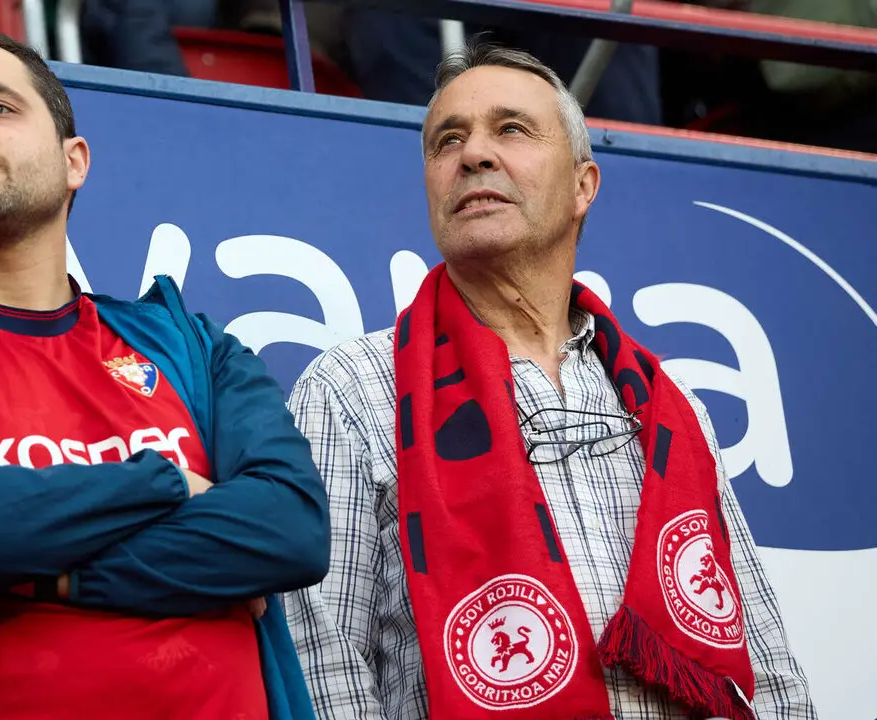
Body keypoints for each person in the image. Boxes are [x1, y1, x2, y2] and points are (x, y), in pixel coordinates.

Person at [0, 19, 329, 720]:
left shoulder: (196, 349)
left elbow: (289, 531)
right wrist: (166, 482)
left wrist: (28, 562)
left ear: (75, 160)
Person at [281, 42, 816, 720]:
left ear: (582, 186)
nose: (473, 154)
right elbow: (319, 661)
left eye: (510, 129)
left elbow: (765, 672)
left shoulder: (669, 408)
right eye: (449, 139)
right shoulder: (352, 388)